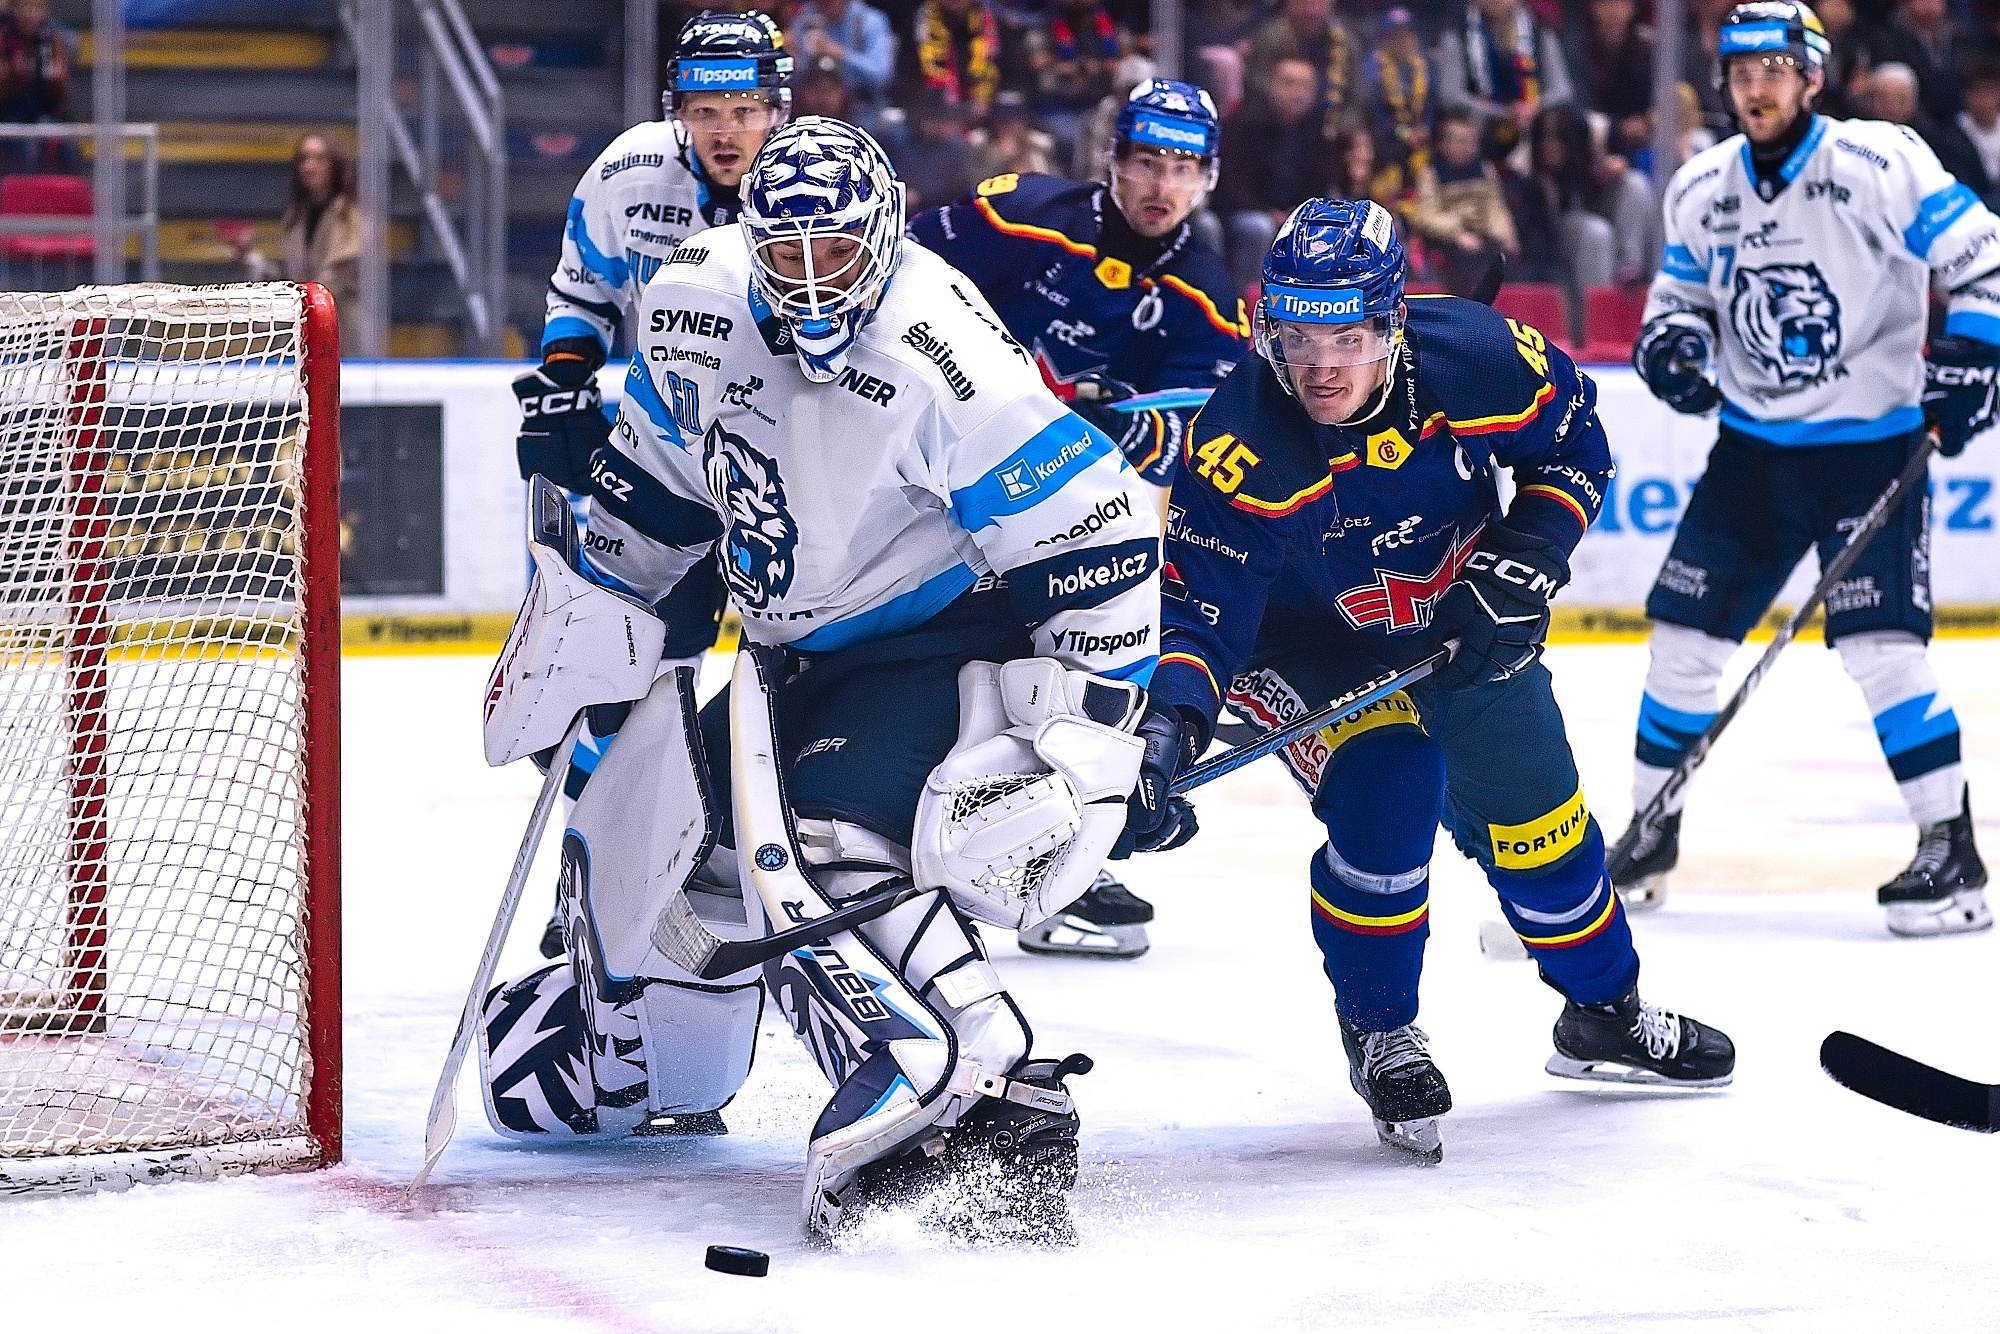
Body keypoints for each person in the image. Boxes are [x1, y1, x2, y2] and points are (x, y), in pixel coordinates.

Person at [477, 115, 1157, 1242]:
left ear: (881, 238)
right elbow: (656, 477)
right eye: (782, 253)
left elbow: (1098, 539)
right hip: (788, 652)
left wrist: (1095, 746)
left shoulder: (944, 355)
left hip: (938, 632)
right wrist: (591, 609)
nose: (806, 281)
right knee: (683, 849)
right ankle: (649, 1066)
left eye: (833, 251)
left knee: (822, 841)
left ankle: (981, 1081)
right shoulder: (691, 299)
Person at [1122, 197, 1736, 1162]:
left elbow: (1576, 445)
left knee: (1548, 844)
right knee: (1389, 786)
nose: (1321, 368)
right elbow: (1204, 616)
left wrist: (1523, 559)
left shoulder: (1479, 359)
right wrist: (1169, 730)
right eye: (1296, 338)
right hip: (1308, 649)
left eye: (1349, 338)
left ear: (1394, 324)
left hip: (1465, 626)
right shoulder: (1239, 442)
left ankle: (1604, 1013)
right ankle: (1381, 1031)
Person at [1620, 0, 1999, 936]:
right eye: (1741, 72)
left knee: (1882, 650)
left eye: (1775, 70)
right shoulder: (1700, 186)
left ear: (1813, 78)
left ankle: (1950, 851)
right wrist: (1673, 345)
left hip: (1869, 450)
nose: (1757, 87)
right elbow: (1678, 298)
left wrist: (1972, 356)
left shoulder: (1880, 161)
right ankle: (1648, 835)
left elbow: (1982, 258)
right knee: (1681, 646)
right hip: (1752, 454)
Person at [909, 78, 1249, 959]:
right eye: (1146, 161)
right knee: (919, 663)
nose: (1161, 185)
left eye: (1182, 167)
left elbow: (1200, 441)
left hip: (1057, 516)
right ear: (1112, 161)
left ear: (1208, 179)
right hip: (927, 481)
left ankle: (1060, 865)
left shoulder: (1208, 296)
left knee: (1074, 682)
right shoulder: (1020, 214)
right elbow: (892, 271)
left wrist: (1136, 432)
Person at [520, 10, 791, 957]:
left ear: (777, 108)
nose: (725, 130)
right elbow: (583, 292)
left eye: (745, 109)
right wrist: (564, 382)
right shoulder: (630, 172)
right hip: (662, 464)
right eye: (705, 109)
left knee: (788, 680)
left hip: (790, 480)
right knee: (625, 676)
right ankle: (598, 878)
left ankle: (773, 874)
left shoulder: (822, 185)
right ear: (677, 109)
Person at [236, 134, 363, 350]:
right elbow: (289, 277)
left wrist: (282, 310)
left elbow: (334, 279)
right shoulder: (295, 218)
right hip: (301, 338)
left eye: (319, 158)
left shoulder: (351, 216)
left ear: (334, 165)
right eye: (304, 159)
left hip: (341, 337)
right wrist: (250, 258)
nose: (309, 166)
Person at [1217, 55, 1333, 290]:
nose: (1297, 93)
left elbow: (1321, 187)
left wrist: (1298, 214)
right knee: (1258, 227)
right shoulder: (1242, 123)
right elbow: (1229, 187)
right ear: (1271, 85)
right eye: (1289, 83)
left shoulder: (1319, 132)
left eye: (1305, 86)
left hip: (1294, 215)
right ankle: (1247, 299)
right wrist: (1269, 213)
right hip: (1243, 213)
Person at [1435, 0, 1575, 159]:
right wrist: (1503, 113)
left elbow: (1562, 89)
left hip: (1533, 120)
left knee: (1569, 124)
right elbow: (1450, 95)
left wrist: (1532, 107)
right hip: (1480, 123)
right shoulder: (1457, 31)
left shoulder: (1539, 28)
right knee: (1459, 131)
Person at [1408, 108, 1517, 297]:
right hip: (1448, 242)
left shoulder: (1485, 170)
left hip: (1483, 237)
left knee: (1508, 264)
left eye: (1472, 142)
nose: (1468, 147)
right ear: (1445, 144)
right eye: (1461, 141)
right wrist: (1457, 234)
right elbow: (1426, 216)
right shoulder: (1432, 174)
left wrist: (1506, 235)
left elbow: (1495, 208)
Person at [1244, 0, 1368, 138]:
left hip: (1331, 131)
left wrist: (1342, 127)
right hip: (1276, 127)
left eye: (1319, 3)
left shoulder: (1346, 41)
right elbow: (1257, 85)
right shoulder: (1271, 37)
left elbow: (1357, 96)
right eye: (1303, 3)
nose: (1312, 11)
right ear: (1290, 4)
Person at [787, 0, 897, 124]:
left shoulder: (868, 21)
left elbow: (881, 76)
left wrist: (839, 53)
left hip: (861, 110)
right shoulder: (803, 19)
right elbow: (792, 78)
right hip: (807, 110)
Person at [1930, 57, 2000, 211]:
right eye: (1978, 93)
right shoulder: (1951, 138)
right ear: (1967, 96)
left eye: (1990, 92)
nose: (1985, 100)